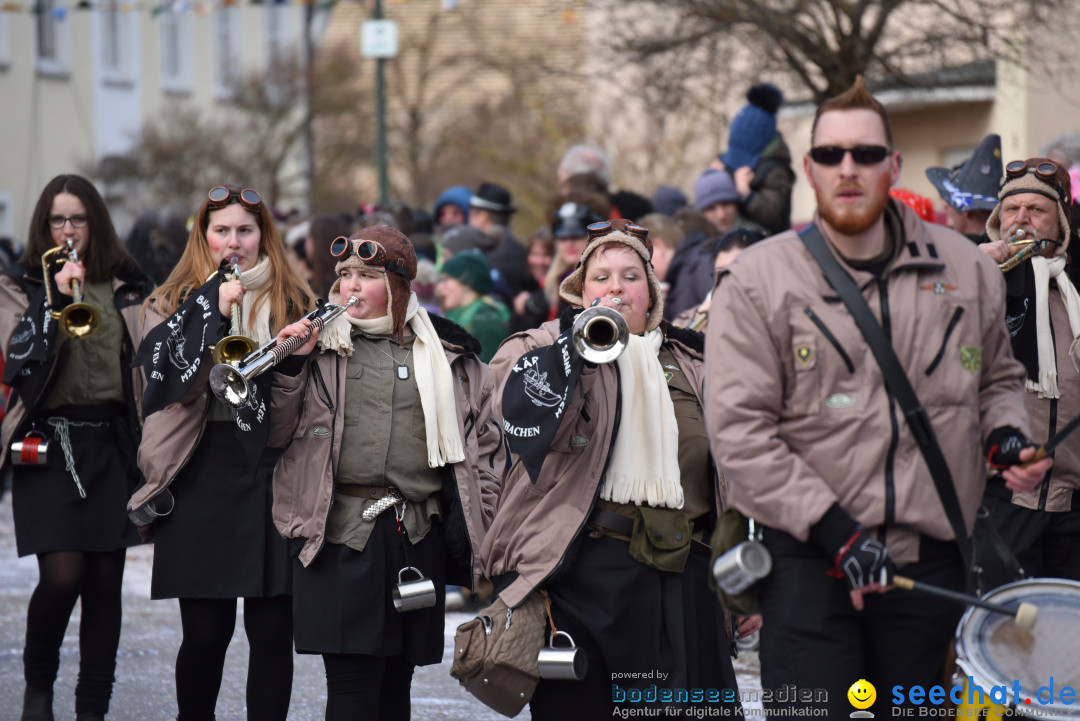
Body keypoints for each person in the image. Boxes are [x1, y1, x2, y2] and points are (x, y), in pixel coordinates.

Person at [704, 77, 1051, 719]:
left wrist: (1004, 438)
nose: (848, 168)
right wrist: (838, 534)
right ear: (808, 168)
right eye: (831, 154)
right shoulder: (758, 278)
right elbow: (740, 434)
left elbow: (997, 378)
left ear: (893, 165)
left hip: (931, 567)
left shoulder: (967, 266)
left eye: (865, 154)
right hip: (810, 567)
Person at [482, 218, 742, 719]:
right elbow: (511, 417)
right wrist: (574, 351)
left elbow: (732, 473)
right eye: (601, 277)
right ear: (579, 289)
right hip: (582, 577)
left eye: (631, 277)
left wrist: (738, 582)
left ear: (652, 292)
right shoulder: (538, 347)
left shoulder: (697, 360)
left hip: (684, 580)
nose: (616, 290)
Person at [266, 226, 505, 720]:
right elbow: (272, 434)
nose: (351, 285)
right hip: (338, 536)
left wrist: (480, 516)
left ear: (398, 286)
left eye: (367, 275)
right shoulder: (315, 345)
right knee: (352, 689)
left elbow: (485, 442)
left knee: (397, 686)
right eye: (345, 274)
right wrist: (290, 367)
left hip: (417, 535)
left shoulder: (447, 353)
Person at [129, 184, 316, 721]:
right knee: (207, 633)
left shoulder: (293, 302)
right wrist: (209, 309)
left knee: (273, 631)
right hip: (199, 468)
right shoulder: (166, 303)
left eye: (245, 231)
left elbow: (294, 419)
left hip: (270, 470)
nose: (233, 242)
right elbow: (171, 389)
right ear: (203, 237)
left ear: (263, 237)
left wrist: (295, 362)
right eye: (221, 231)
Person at [0, 174, 152, 721]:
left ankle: (93, 708)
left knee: (106, 582)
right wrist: (55, 299)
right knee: (62, 576)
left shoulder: (128, 286)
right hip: (48, 443)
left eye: (78, 219)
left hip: (111, 444)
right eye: (58, 220)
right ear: (45, 226)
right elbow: (19, 364)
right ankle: (38, 690)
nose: (68, 230)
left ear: (95, 224)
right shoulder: (18, 285)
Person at [977, 157, 1080, 584]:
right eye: (1011, 210)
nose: (1021, 219)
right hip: (1002, 500)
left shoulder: (1075, 288)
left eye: (1036, 210)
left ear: (1060, 224)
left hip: (1073, 505)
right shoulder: (974, 278)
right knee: (1006, 637)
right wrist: (971, 274)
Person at [713, 82, 795, 235]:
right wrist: (714, 178)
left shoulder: (776, 170)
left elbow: (772, 213)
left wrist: (746, 193)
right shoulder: (731, 163)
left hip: (769, 242)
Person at [673, 227, 766, 331]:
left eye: (734, 272)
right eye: (720, 272)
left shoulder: (773, 314)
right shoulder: (693, 318)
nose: (725, 280)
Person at [925, 133, 1002, 242]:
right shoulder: (1010, 248)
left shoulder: (951, 252)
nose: (944, 205)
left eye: (950, 201)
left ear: (967, 211)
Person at [436, 251, 510, 363]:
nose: (440, 288)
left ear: (467, 280)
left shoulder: (487, 320)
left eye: (446, 280)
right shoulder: (456, 314)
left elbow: (490, 373)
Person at [468, 182, 533, 301]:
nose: (468, 222)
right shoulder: (525, 253)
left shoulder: (481, 256)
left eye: (471, 216)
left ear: (483, 217)